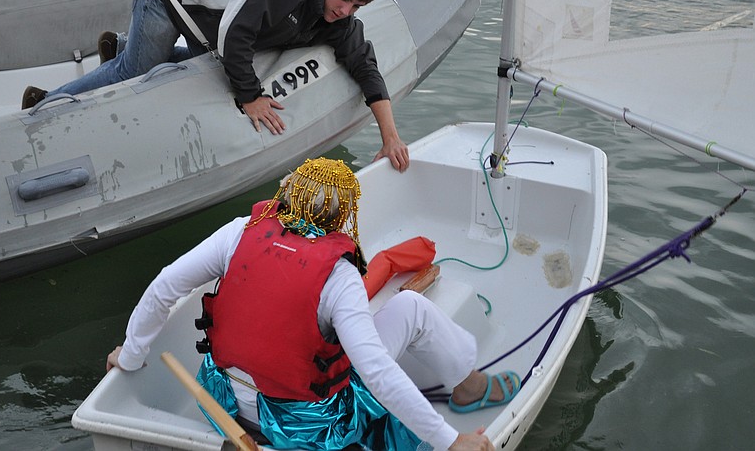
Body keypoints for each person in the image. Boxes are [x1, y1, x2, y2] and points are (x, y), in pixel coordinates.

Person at [106, 157, 520, 451]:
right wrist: (450, 441)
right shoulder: (339, 277)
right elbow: (375, 371)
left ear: (287, 195)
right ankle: (467, 387)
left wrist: (130, 356)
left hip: (222, 403)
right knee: (409, 308)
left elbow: (164, 287)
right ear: (343, 216)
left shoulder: (239, 233)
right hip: (303, 427)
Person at [22, 0, 409, 172]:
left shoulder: (337, 18)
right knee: (135, 72)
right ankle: (46, 100)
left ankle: (124, 44)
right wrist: (250, 96)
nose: (345, 11)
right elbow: (236, 35)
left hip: (209, 16)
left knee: (192, 72)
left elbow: (364, 64)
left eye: (356, 6)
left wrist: (390, 137)